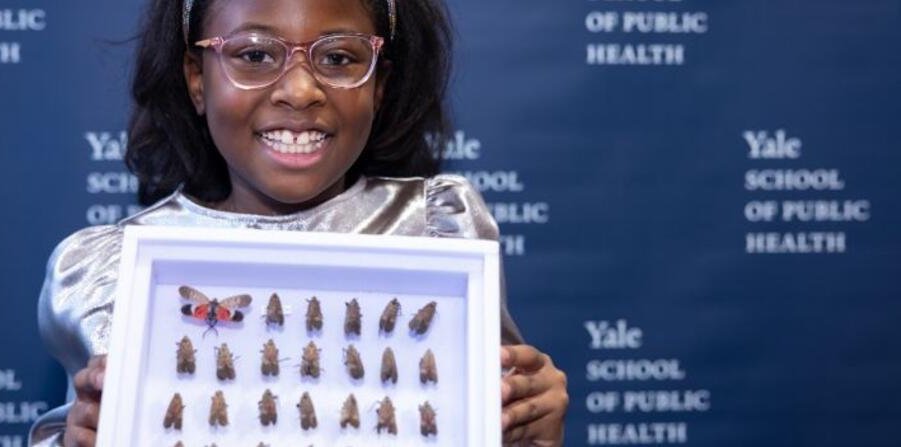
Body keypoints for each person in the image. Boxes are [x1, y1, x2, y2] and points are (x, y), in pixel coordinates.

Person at [30, 0, 568, 445]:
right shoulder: (111, 276)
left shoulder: (438, 229)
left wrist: (531, 431)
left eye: (338, 58)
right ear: (197, 79)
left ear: (379, 85)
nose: (300, 90)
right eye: (256, 54)